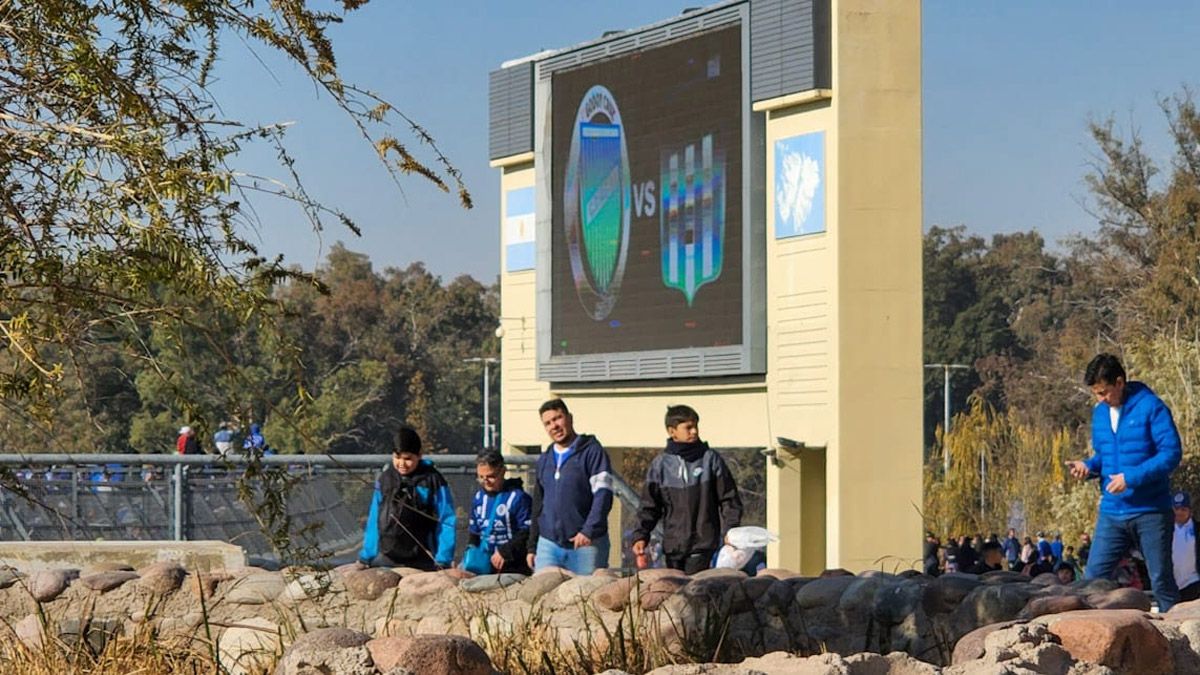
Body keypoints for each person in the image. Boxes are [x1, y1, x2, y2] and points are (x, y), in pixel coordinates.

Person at [1067, 353, 1183, 611]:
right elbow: (1106, 458)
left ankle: (1180, 641)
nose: (1101, 399)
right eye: (1096, 394)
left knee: (1161, 580)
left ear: (1119, 382)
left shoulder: (1151, 407)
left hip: (1150, 511)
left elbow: (1171, 453)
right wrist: (1088, 467)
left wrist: (1131, 478)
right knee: (1091, 580)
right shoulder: (1100, 414)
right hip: (1112, 512)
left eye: (1104, 392)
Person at [631, 405, 744, 575]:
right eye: (688, 428)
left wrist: (730, 531)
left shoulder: (710, 460)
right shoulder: (660, 465)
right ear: (672, 431)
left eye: (696, 426)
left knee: (695, 593)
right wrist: (641, 536)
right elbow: (649, 506)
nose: (694, 432)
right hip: (673, 547)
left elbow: (729, 500)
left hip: (703, 545)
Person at [526, 399, 614, 575]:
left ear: (569, 418)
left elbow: (603, 495)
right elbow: (538, 504)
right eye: (548, 423)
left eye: (558, 418)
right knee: (541, 599)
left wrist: (588, 531)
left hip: (585, 545)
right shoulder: (545, 459)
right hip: (548, 545)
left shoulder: (592, 451)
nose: (554, 426)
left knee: (586, 599)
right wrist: (532, 545)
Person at [357, 427, 456, 571]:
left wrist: (443, 558)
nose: (402, 464)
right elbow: (374, 518)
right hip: (387, 556)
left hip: (423, 559)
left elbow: (446, 519)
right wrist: (367, 555)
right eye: (397, 457)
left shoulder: (432, 480)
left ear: (419, 455)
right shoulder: (386, 478)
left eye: (408, 459)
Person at [467, 450, 533, 575]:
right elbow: (474, 531)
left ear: (502, 471)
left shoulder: (518, 498)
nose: (485, 481)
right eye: (481, 477)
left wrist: (506, 551)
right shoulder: (478, 498)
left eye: (491, 476)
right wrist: (471, 551)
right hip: (484, 564)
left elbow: (526, 531)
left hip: (513, 565)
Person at [1172, 491, 1200, 602]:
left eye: (1183, 509)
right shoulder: (1164, 529)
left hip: (1193, 581)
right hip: (1171, 583)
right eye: (1176, 509)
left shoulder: (1197, 529)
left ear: (1190, 511)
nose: (1179, 512)